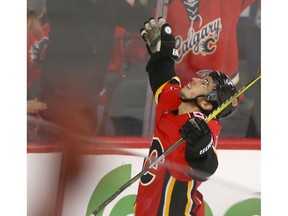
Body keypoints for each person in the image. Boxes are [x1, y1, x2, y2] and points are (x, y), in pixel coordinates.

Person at [134, 18, 238, 216]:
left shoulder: (202, 126)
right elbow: (162, 77)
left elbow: (206, 166)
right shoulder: (174, 100)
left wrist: (200, 147)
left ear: (206, 104)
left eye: (204, 84)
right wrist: (162, 54)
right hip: (148, 208)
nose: (196, 79)